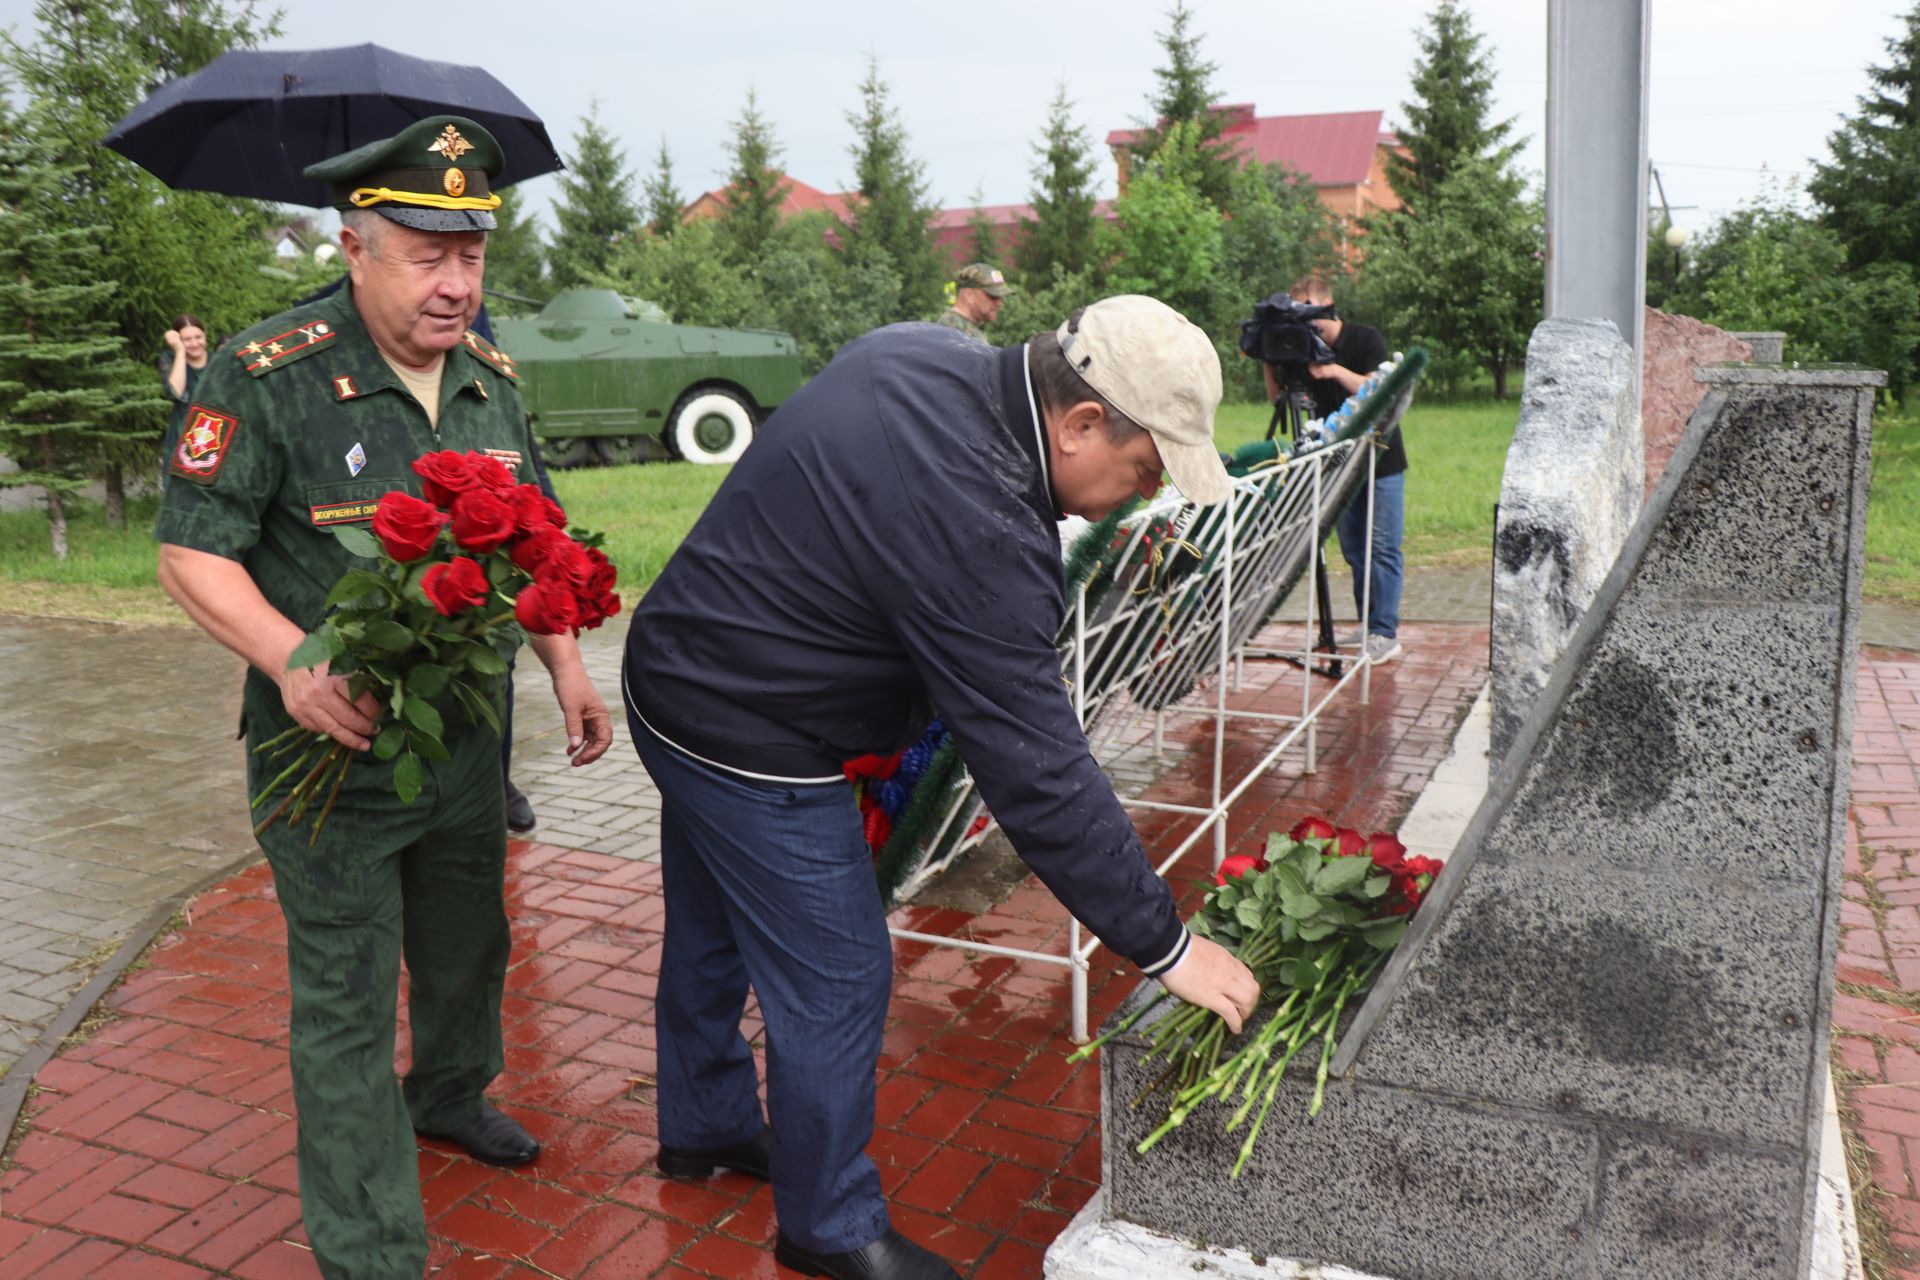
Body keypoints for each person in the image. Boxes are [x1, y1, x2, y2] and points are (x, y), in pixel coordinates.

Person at [622, 294, 1261, 1280]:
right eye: (1143, 470)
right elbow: (1038, 769)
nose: (1140, 498)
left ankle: (701, 1124)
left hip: (675, 665)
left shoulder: (922, 352)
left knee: (714, 925)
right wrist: (1162, 941)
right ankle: (826, 1225)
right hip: (749, 727)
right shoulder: (987, 527)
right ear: (1082, 422)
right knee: (838, 972)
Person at [153, 115, 613, 1279]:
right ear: (355, 247)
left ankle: (451, 1092)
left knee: (469, 948)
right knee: (346, 1000)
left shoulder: (491, 383)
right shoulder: (265, 375)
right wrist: (290, 659)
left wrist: (566, 668)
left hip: (464, 750)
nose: (456, 282)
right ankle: (371, 1251)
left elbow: (539, 542)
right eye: (426, 254)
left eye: (471, 255)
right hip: (330, 761)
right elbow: (190, 554)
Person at [1264, 274, 1402, 663]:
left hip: (1381, 457)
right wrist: (1270, 360)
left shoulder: (1365, 338)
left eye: (1312, 317)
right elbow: (1277, 399)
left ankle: (1385, 632)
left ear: (1328, 305)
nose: (1307, 328)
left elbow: (1382, 389)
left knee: (1383, 548)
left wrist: (1334, 371)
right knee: (1356, 551)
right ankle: (1369, 623)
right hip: (1338, 463)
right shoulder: (1301, 350)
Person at [158, 313, 211, 460]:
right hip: (182, 437)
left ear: (205, 335)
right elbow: (175, 393)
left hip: (214, 435)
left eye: (198, 337)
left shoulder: (217, 360)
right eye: (187, 339)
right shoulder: (170, 359)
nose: (194, 344)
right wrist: (180, 352)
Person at [933, 261, 1011, 340]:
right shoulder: (955, 330)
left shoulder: (961, 327)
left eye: (1000, 297)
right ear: (969, 295)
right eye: (993, 296)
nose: (999, 303)